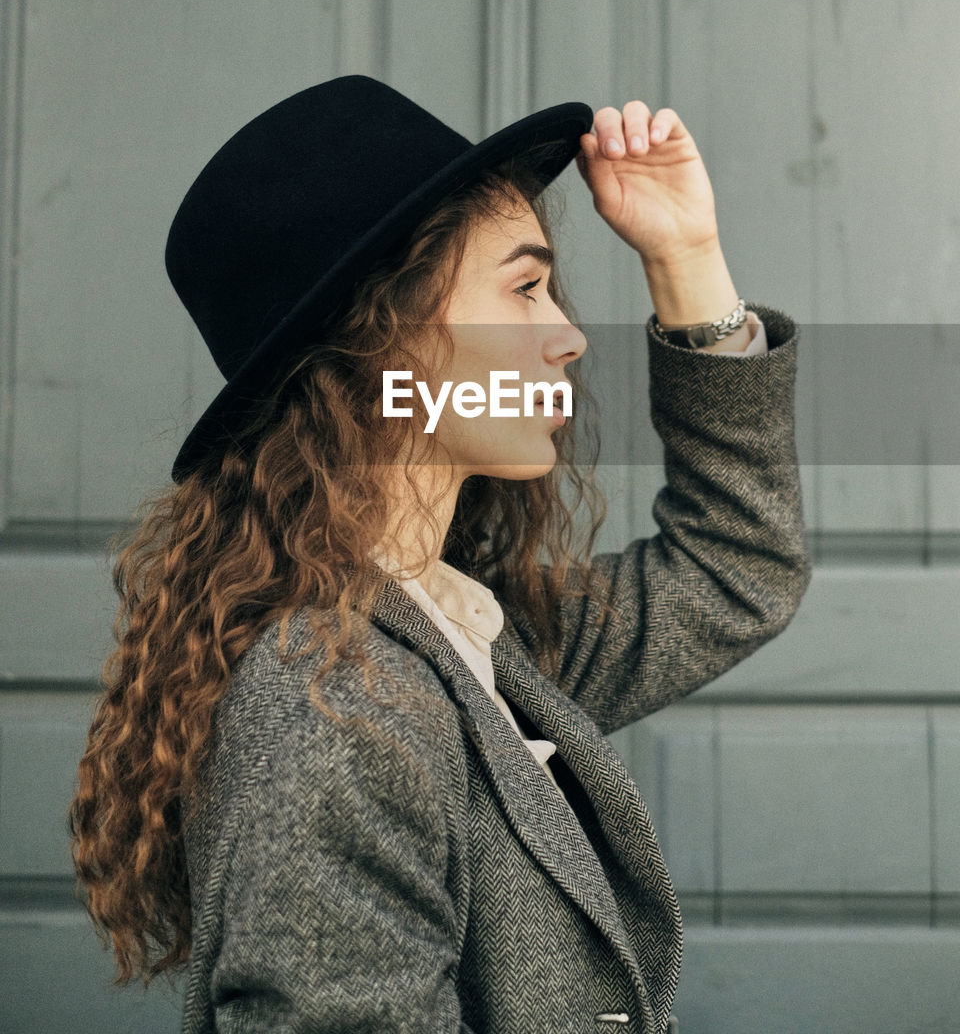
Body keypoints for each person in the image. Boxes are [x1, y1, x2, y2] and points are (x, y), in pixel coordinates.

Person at [69, 75, 810, 1034]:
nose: (571, 336)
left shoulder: (457, 639)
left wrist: (687, 257)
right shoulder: (332, 706)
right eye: (525, 288)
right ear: (386, 341)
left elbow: (733, 567)